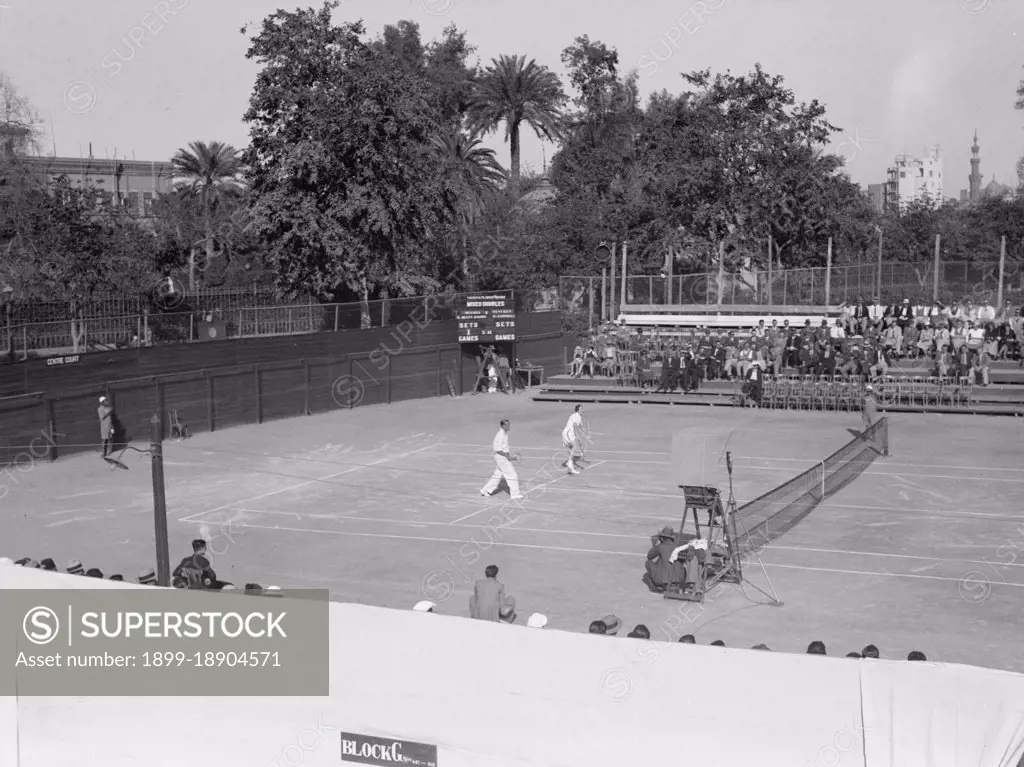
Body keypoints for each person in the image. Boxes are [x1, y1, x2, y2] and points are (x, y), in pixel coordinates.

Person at [480, 419, 524, 499]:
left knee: (497, 475)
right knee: (512, 475)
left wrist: (508, 456)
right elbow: (497, 449)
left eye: (509, 424)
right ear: (503, 426)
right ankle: (515, 494)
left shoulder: (504, 434)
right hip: (501, 458)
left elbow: (504, 448)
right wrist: (507, 457)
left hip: (502, 457)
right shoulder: (500, 435)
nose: (509, 426)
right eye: (507, 425)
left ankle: (485, 490)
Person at [561, 404, 584, 475]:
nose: (582, 410)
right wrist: (577, 436)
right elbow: (575, 426)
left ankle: (570, 469)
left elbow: (580, 425)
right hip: (568, 433)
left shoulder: (577, 416)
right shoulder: (576, 416)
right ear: (578, 410)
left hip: (569, 433)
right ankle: (569, 463)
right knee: (574, 447)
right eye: (581, 409)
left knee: (572, 449)